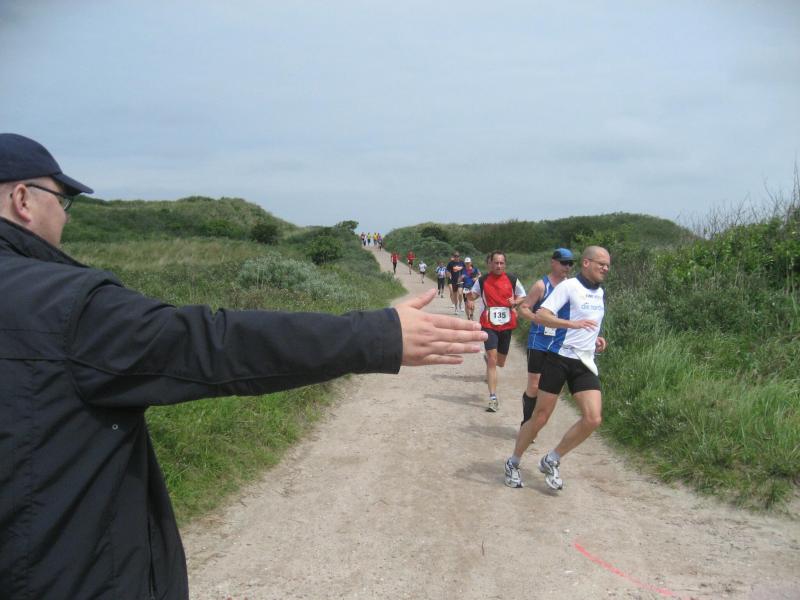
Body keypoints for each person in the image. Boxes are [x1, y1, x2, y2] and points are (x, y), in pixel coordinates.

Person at [0, 133, 488, 600]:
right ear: (23, 199)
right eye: (62, 201)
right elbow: (216, 343)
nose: (64, 216)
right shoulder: (64, 306)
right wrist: (379, 335)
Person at [504, 246, 610, 491]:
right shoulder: (568, 286)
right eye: (601, 263)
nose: (605, 268)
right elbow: (542, 315)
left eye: (608, 265)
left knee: (593, 418)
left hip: (584, 361)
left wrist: (595, 338)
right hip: (558, 358)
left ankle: (551, 459)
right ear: (586, 263)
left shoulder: (600, 292)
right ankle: (513, 462)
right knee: (540, 417)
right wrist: (572, 325)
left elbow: (589, 323)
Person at [516, 248, 574, 426]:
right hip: (539, 340)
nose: (567, 267)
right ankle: (527, 423)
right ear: (553, 262)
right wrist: (537, 318)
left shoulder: (572, 287)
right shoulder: (541, 286)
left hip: (560, 343)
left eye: (570, 263)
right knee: (534, 385)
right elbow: (523, 308)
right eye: (564, 263)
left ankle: (537, 418)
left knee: (551, 388)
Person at [467, 250, 526, 412]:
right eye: (496, 263)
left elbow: (523, 296)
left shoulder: (512, 279)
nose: (499, 266)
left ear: (505, 264)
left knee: (500, 362)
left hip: (506, 324)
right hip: (489, 323)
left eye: (501, 263)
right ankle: (493, 398)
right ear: (490, 264)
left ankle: (489, 361)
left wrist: (515, 301)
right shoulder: (483, 280)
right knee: (493, 360)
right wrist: (469, 299)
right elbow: (473, 295)